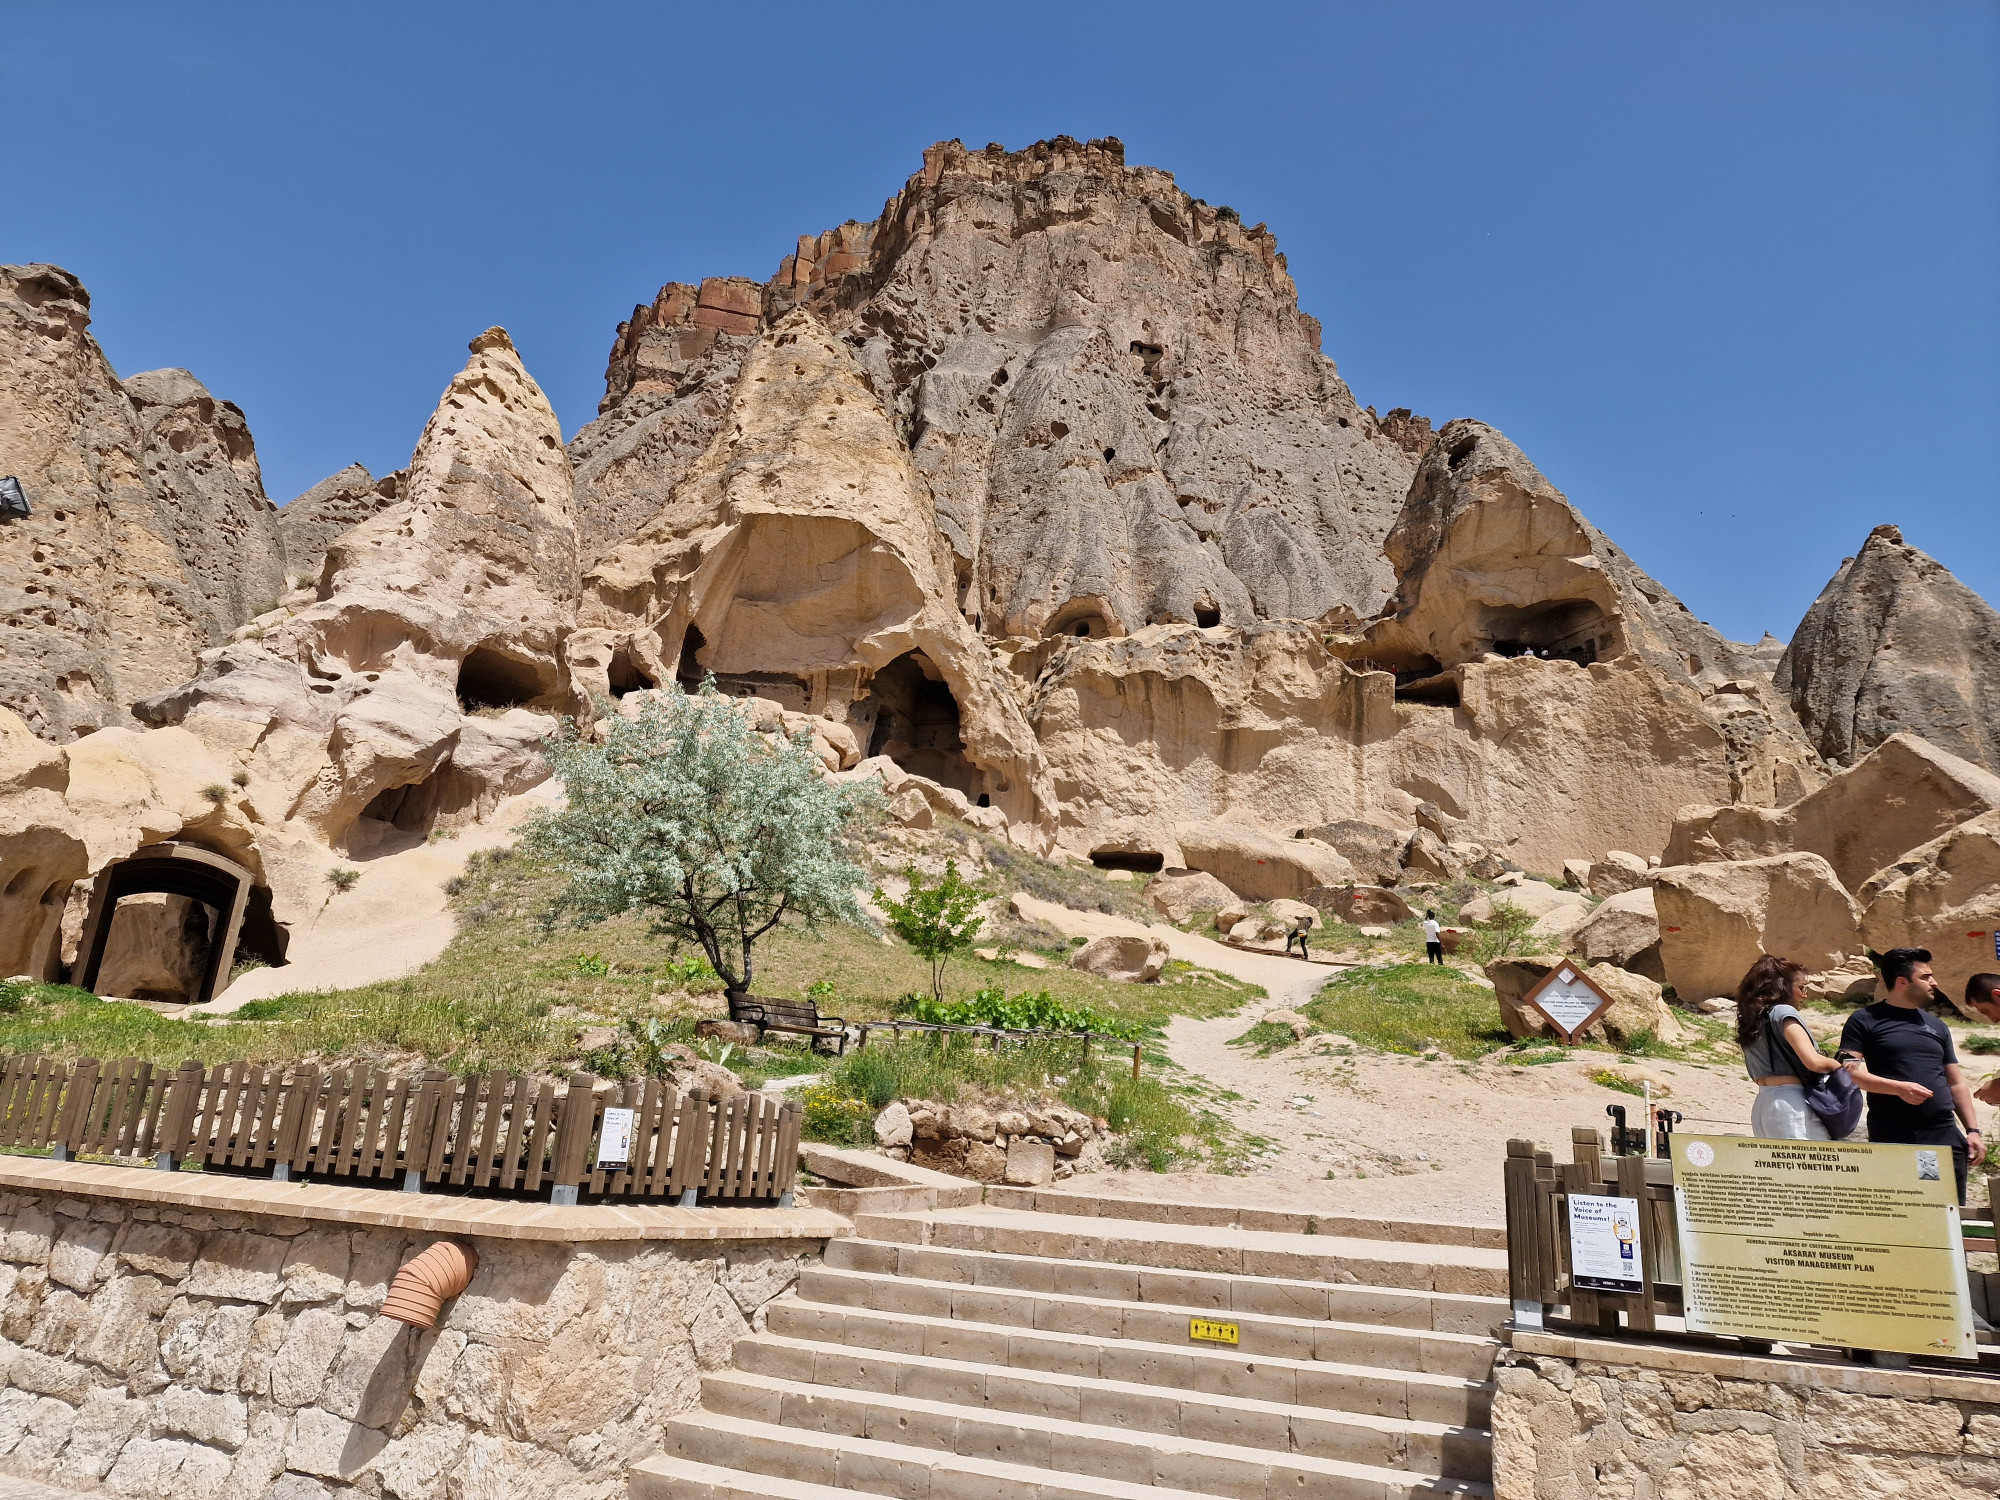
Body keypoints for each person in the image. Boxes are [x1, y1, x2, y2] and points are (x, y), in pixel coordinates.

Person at [1838, 948, 1985, 1203]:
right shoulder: (1864, 1020)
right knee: (1904, 1214)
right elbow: (1850, 1071)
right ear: (1902, 982)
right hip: (1894, 1134)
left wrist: (1973, 1130)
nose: (1934, 982)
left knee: (1949, 1215)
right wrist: (1898, 1089)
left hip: (1943, 1134)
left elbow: (1956, 1082)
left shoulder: (1937, 1025)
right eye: (1926, 977)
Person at [1735, 955, 1846, 1139]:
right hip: (1791, 1103)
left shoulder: (1752, 1017)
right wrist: (1840, 1067)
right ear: (1783, 988)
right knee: (1809, 1164)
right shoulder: (1783, 1012)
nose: (1805, 995)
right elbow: (1813, 1061)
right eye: (1801, 988)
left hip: (1764, 1102)